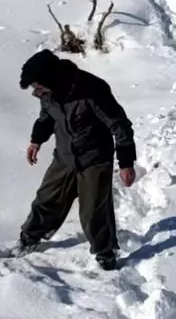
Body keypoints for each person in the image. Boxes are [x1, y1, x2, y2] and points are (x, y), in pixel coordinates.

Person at [17, 50, 136, 271]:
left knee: (93, 212)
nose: (36, 91)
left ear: (51, 79)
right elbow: (46, 117)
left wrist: (126, 163)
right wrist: (36, 141)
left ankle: (105, 254)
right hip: (64, 156)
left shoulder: (92, 90)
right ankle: (28, 239)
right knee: (46, 199)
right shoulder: (48, 94)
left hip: (95, 158)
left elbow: (119, 125)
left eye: (38, 86)